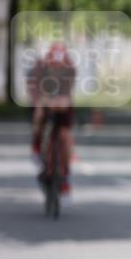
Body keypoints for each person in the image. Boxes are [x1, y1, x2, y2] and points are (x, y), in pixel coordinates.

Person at [29, 42, 77, 207]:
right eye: (53, 66)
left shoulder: (70, 68)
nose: (57, 68)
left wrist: (64, 101)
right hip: (45, 98)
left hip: (61, 101)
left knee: (66, 135)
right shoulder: (40, 68)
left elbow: (69, 91)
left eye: (60, 66)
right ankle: (36, 147)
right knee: (39, 112)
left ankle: (65, 179)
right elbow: (34, 90)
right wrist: (40, 102)